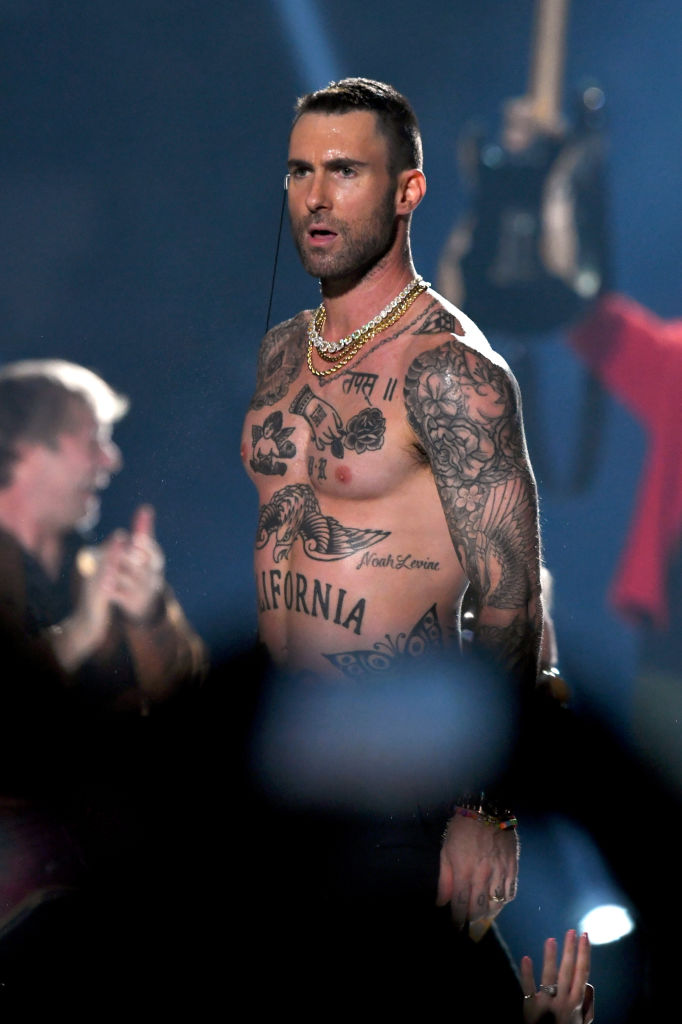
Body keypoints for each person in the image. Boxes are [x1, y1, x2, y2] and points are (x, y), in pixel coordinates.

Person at [241, 78, 543, 1007]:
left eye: (345, 171)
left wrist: (487, 806)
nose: (317, 198)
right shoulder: (284, 350)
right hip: (278, 774)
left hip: (398, 783)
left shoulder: (451, 370)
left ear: (408, 191)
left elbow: (511, 597)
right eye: (300, 171)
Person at [0, 359, 206, 992]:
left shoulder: (102, 578)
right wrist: (78, 638)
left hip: (100, 882)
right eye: (92, 439)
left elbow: (194, 709)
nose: (110, 462)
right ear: (28, 450)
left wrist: (147, 615)